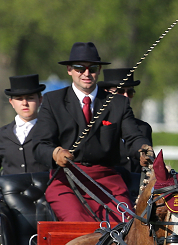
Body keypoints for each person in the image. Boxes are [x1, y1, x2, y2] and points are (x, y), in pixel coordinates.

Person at [30, 42, 154, 223]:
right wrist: (56, 153)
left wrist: (142, 149)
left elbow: (133, 137)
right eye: (80, 68)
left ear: (99, 70)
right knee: (79, 225)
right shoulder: (53, 101)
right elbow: (40, 144)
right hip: (66, 181)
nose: (87, 73)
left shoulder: (118, 103)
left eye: (93, 68)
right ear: (69, 70)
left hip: (108, 180)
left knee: (127, 226)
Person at [0, 74, 48, 205]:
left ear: (40, 100)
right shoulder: (0, 135)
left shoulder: (51, 131)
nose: (25, 103)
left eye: (30, 98)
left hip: (44, 201)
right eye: (19, 99)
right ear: (11, 102)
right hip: (9, 202)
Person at [97, 67, 152, 200]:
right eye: (120, 91)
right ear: (106, 93)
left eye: (130, 92)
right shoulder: (96, 125)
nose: (126, 96)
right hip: (106, 192)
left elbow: (146, 169)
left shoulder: (144, 128)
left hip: (136, 196)